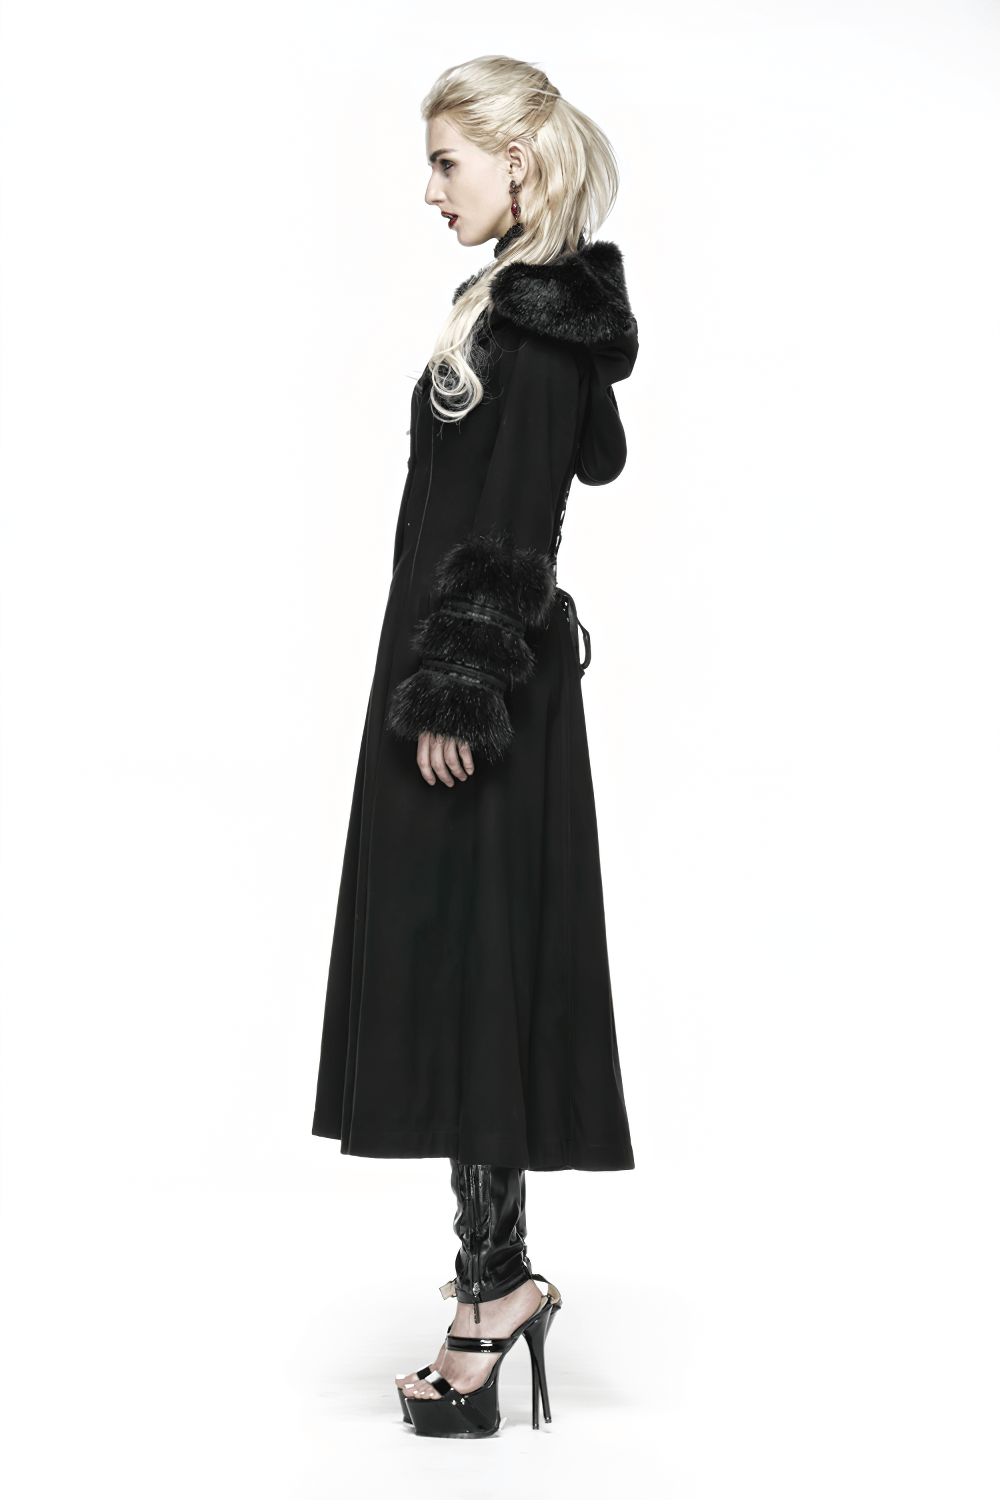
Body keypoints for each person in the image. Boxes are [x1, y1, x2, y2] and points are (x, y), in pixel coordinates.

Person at [312, 54, 637, 1439]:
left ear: (518, 161)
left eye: (448, 163)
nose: (432, 189)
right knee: (458, 975)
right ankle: (495, 1281)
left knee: (480, 973)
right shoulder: (504, 303)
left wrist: (457, 693)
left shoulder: (540, 322)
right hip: (448, 676)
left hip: (476, 690)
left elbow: (519, 524)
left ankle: (494, 1294)